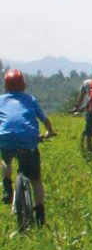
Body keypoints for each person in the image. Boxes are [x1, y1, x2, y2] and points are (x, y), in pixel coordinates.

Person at [0, 69, 56, 225]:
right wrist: (49, 133)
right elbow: (45, 120)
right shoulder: (30, 99)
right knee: (36, 178)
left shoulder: (0, 100)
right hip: (29, 139)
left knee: (5, 159)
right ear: (23, 85)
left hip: (6, 138)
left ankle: (6, 185)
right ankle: (40, 214)